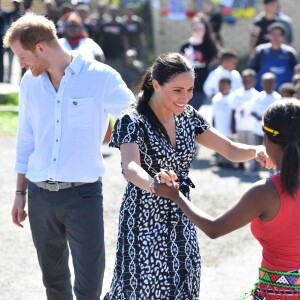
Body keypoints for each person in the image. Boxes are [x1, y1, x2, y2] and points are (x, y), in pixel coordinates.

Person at [104, 52, 274, 299]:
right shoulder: (132, 120)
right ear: (156, 85)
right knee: (143, 288)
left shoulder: (188, 117)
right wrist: (154, 182)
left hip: (182, 215)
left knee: (184, 285)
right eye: (178, 90)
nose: (185, 97)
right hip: (144, 218)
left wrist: (257, 150)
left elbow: (230, 149)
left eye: (190, 89)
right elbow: (130, 167)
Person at [3, 12, 134, 300]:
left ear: (40, 47)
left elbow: (134, 116)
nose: (21, 63)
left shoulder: (100, 77)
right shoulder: (30, 83)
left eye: (22, 56)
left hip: (83, 196)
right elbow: (26, 140)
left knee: (89, 284)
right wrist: (19, 192)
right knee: (54, 282)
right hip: (39, 197)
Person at [154, 98, 300, 299]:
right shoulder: (267, 191)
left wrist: (175, 195)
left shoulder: (265, 193)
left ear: (266, 139)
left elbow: (214, 228)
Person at [180, 14, 218, 110]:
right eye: (195, 28)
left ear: (205, 30)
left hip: (201, 84)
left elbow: (214, 62)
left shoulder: (209, 45)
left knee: (193, 110)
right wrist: (185, 58)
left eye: (200, 29)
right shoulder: (185, 45)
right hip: (186, 83)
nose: (197, 31)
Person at [248, 22, 299, 92]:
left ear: (283, 37)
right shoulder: (260, 51)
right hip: (262, 94)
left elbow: (297, 73)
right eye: (273, 34)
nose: (276, 37)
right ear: (268, 36)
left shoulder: (290, 53)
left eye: (279, 35)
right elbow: (251, 72)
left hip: (284, 96)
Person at [249, 72, 281, 172]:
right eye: (266, 83)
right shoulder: (258, 96)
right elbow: (252, 111)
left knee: (272, 151)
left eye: (270, 83)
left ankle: (272, 170)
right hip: (258, 130)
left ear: (275, 84)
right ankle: (254, 170)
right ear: (262, 84)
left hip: (272, 132)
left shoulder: (278, 98)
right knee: (255, 150)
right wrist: (260, 118)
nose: (268, 86)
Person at [231, 69, 259, 171]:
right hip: (240, 125)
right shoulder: (237, 93)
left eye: (250, 80)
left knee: (252, 146)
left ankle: (252, 166)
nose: (247, 82)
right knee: (240, 145)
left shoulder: (257, 95)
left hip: (252, 126)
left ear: (254, 81)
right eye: (245, 80)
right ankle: (240, 164)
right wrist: (232, 124)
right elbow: (233, 110)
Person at [212, 77, 235, 168]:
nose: (222, 87)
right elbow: (213, 113)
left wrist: (233, 126)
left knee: (229, 145)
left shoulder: (233, 97)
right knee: (219, 144)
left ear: (230, 86)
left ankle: (230, 163)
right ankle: (220, 161)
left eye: (224, 85)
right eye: (220, 86)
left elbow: (234, 112)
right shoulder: (216, 97)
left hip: (228, 126)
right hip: (219, 125)